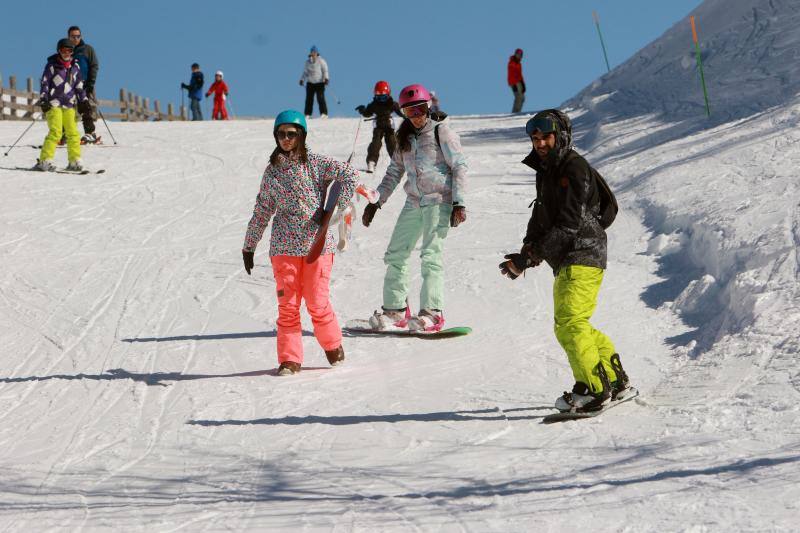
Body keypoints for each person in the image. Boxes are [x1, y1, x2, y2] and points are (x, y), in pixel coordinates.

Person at [498, 109, 632, 412]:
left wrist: (528, 258)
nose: (540, 143)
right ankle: (614, 379)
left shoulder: (574, 168)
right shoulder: (548, 170)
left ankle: (594, 390)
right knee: (576, 323)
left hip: (582, 252)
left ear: (561, 136)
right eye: (535, 138)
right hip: (572, 256)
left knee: (570, 323)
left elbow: (569, 224)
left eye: (545, 136)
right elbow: (541, 216)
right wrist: (526, 252)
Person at [242, 110, 358, 376]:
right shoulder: (272, 172)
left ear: (301, 135)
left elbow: (349, 175)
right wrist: (249, 245)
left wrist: (338, 208)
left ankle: (332, 344)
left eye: (291, 134)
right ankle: (289, 359)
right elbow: (262, 210)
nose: (286, 139)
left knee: (317, 301)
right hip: (283, 247)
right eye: (281, 134)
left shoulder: (316, 163)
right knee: (288, 306)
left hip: (317, 244)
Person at [361, 84, 468, 332]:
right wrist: (377, 202)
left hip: (439, 200)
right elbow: (394, 172)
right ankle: (395, 310)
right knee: (396, 253)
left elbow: (460, 166)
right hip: (414, 202)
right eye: (410, 112)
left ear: (428, 107)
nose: (416, 116)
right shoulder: (403, 137)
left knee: (431, 256)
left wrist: (459, 202)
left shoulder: (443, 133)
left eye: (420, 109)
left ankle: (432, 313)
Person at [35, 38, 89, 172]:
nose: (66, 53)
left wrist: (84, 101)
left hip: (69, 105)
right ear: (59, 51)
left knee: (73, 133)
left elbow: (79, 86)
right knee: (56, 132)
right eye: (63, 50)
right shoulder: (52, 66)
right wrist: (43, 100)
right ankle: (45, 160)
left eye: (69, 50)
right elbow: (45, 83)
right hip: (54, 104)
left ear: (72, 52)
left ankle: (74, 160)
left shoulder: (75, 67)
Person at [355, 80, 403, 173]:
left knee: (392, 142)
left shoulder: (391, 103)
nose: (381, 100)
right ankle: (371, 162)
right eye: (379, 97)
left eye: (384, 97)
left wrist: (406, 116)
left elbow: (399, 111)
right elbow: (367, 113)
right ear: (375, 96)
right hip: (378, 126)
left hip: (389, 126)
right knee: (376, 143)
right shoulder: (374, 104)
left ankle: (398, 163)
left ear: (388, 95)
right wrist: (362, 110)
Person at [68, 26, 100, 143]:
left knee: (85, 108)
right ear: (69, 37)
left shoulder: (87, 49)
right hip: (69, 86)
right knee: (67, 110)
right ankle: (66, 134)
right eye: (73, 36)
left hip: (84, 84)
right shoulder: (66, 50)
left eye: (78, 36)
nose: (75, 38)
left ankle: (90, 133)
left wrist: (91, 83)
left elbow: (94, 65)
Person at [299, 45, 329, 119]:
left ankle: (324, 113)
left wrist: (326, 78)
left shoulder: (321, 61)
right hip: (310, 83)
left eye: (315, 52)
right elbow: (305, 72)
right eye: (312, 52)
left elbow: (325, 70)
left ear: (317, 53)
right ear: (311, 53)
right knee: (309, 99)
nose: (314, 53)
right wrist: (302, 79)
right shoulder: (308, 62)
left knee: (320, 98)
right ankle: (308, 114)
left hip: (320, 83)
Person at [507, 48, 525, 113]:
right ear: (515, 54)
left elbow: (520, 74)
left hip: (519, 82)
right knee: (518, 97)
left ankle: (518, 111)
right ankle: (515, 112)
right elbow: (511, 75)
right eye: (518, 54)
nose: (519, 56)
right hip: (514, 82)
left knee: (522, 98)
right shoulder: (512, 63)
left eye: (521, 55)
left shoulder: (519, 64)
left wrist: (523, 84)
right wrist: (513, 85)